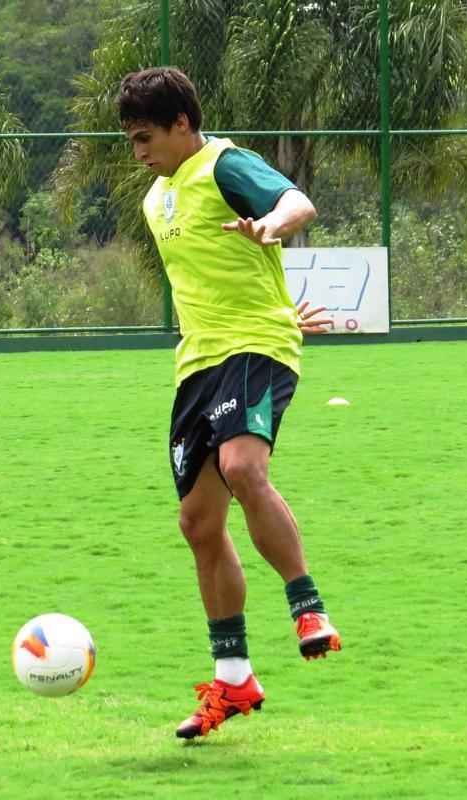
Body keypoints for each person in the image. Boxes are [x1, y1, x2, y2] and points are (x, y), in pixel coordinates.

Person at [118, 67, 342, 740]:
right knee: (197, 523)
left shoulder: (225, 164)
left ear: (182, 124)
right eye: (130, 140)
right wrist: (277, 306)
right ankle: (234, 679)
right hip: (198, 363)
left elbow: (296, 203)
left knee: (244, 468)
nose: (138, 152)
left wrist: (271, 227)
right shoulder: (155, 200)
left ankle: (307, 607)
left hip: (252, 348)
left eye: (144, 137)